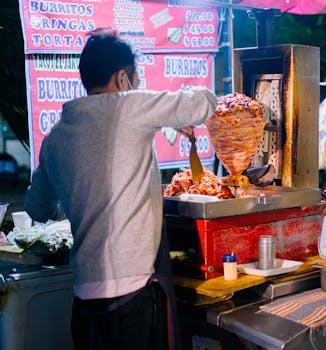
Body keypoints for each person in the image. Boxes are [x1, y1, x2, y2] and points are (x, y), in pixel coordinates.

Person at [25, 28, 217, 350]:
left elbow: (38, 208)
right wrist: (163, 113)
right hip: (132, 295)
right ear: (121, 77)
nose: (138, 82)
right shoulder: (129, 106)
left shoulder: (56, 136)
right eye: (136, 75)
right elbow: (204, 102)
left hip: (84, 299)